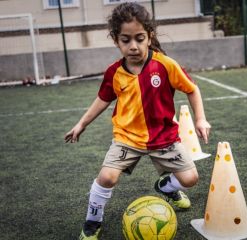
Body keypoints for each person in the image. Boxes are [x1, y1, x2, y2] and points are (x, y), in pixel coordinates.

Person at [65, 2, 211, 240]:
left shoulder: (165, 64)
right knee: (107, 177)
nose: (133, 46)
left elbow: (192, 89)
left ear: (149, 36)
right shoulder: (114, 72)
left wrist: (201, 119)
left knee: (191, 179)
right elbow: (102, 99)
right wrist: (82, 124)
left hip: (163, 138)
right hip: (127, 138)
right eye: (126, 40)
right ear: (116, 40)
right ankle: (93, 220)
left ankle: (166, 187)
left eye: (139, 38)